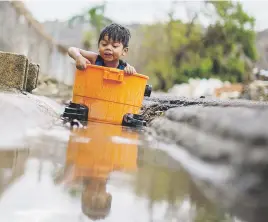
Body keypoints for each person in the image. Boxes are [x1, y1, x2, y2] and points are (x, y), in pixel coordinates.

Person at [68, 23, 136, 74]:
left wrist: (131, 71)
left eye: (114, 46)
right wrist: (78, 57)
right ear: (98, 46)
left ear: (124, 51)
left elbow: (135, 79)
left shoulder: (125, 67)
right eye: (104, 44)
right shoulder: (95, 59)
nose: (108, 48)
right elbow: (72, 49)